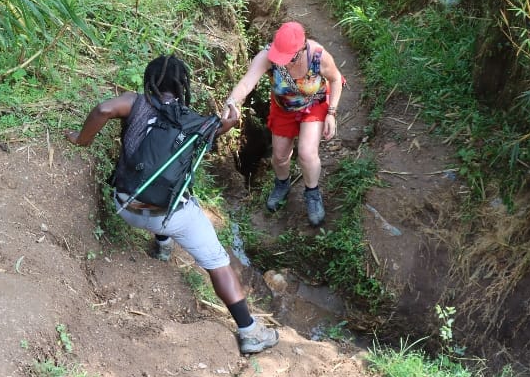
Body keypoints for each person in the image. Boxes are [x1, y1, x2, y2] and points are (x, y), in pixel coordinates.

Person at [64, 55, 279, 355]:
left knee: (151, 178)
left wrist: (81, 139)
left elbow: (103, 109)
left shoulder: (134, 103)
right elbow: (223, 125)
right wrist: (230, 122)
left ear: (150, 81)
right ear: (182, 87)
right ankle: (250, 331)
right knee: (217, 262)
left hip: (125, 205)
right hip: (170, 216)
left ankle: (162, 246)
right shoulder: (198, 122)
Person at [222, 21, 344, 226]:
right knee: (279, 156)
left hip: (314, 104)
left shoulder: (318, 56)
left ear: (301, 48)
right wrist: (232, 101)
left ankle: (312, 193)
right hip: (283, 107)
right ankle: (282, 184)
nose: (282, 61)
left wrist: (331, 112)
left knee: (307, 153)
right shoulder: (267, 57)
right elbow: (246, 82)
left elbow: (336, 79)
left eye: (287, 57)